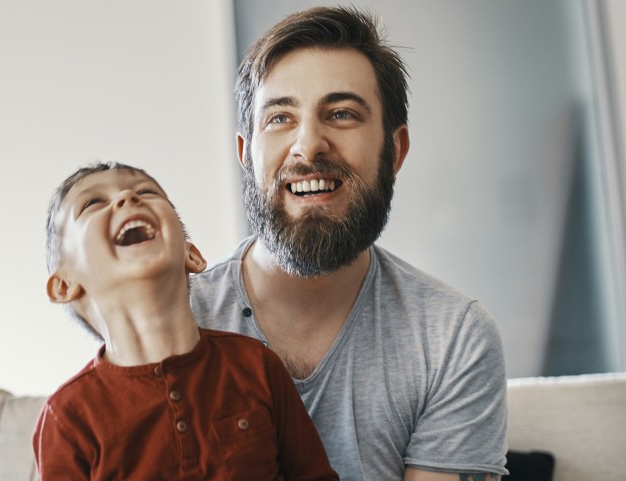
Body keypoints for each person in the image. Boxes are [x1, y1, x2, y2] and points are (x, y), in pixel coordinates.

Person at [190, 6, 508, 481]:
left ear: (393, 151)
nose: (308, 145)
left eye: (341, 114)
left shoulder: (452, 338)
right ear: (245, 154)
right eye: (280, 117)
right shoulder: (177, 319)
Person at [33, 162, 339, 481]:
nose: (126, 197)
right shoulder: (67, 417)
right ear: (65, 285)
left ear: (191, 255)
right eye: (93, 203)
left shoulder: (257, 366)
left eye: (146, 192)